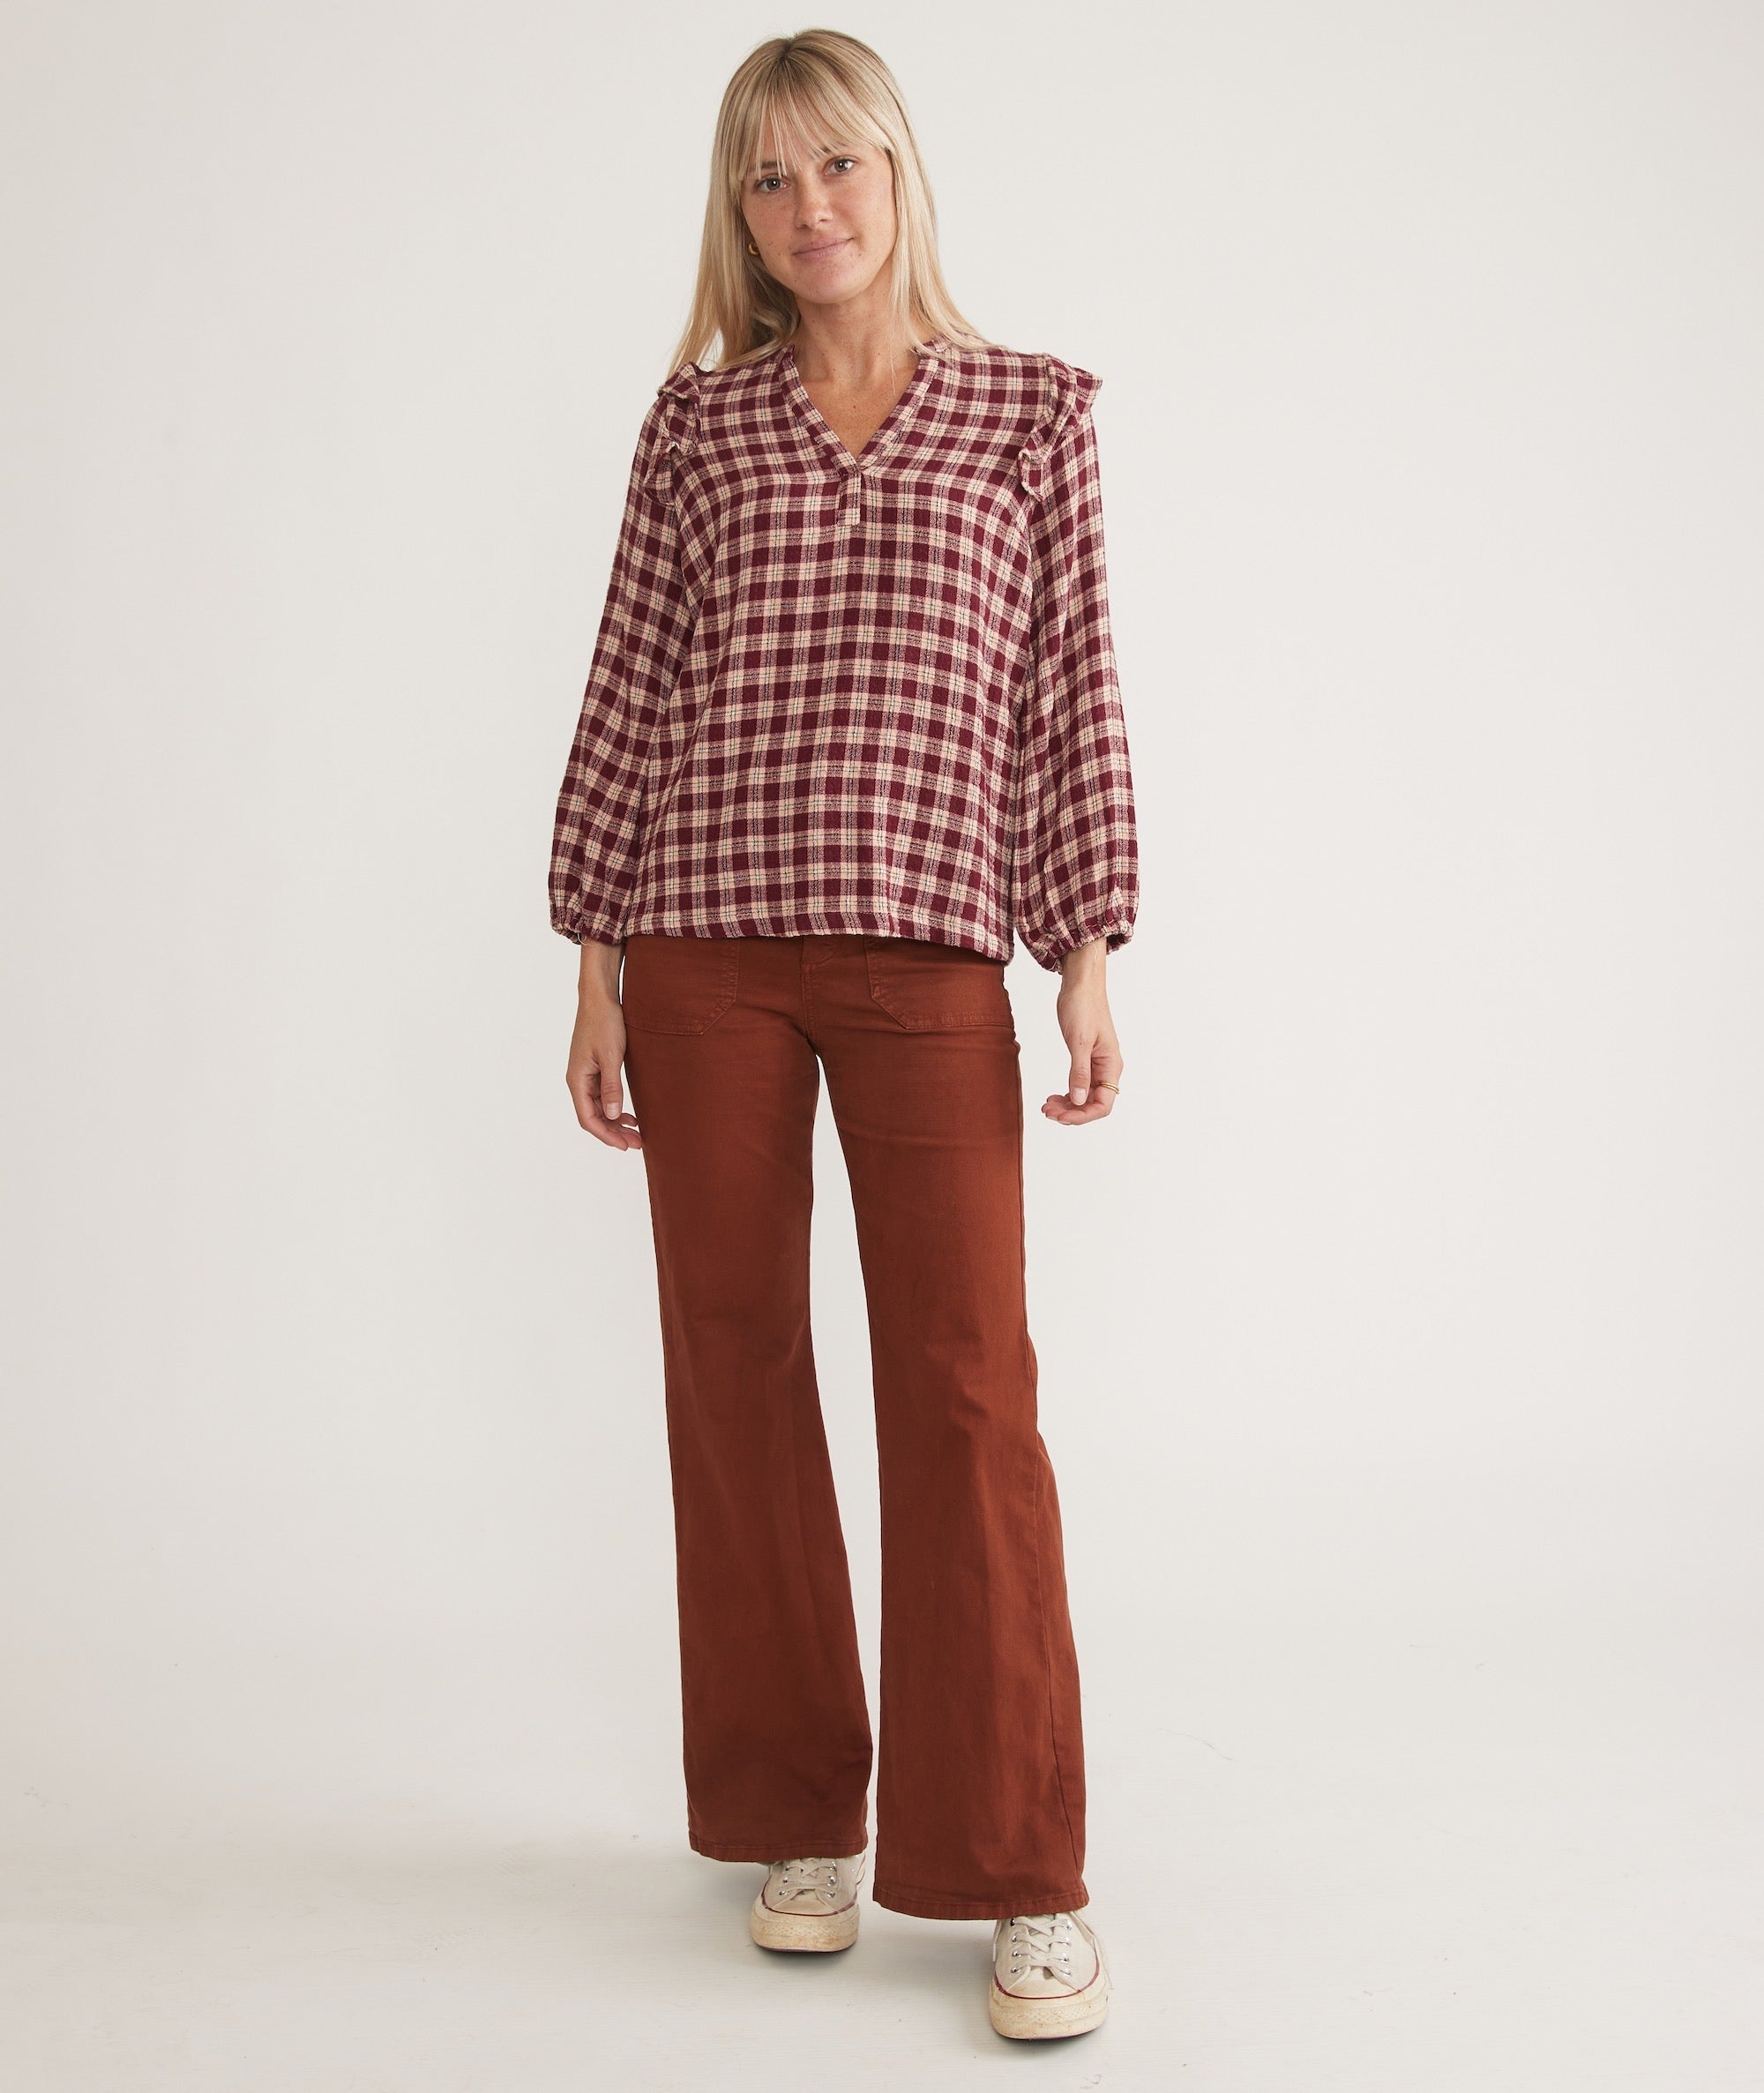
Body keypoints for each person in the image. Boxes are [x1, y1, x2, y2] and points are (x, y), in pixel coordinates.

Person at [549, 28, 1138, 2044]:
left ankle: (1021, 1863)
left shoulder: (1027, 410)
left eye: (839, 165)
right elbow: (630, 681)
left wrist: (1083, 944)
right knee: (733, 1368)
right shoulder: (698, 424)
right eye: (768, 178)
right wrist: (593, 952)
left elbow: (1068, 690)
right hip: (700, 942)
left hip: (926, 952)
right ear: (738, 211)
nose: (810, 208)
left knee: (965, 1386)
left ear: (900, 170)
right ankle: (797, 1812)